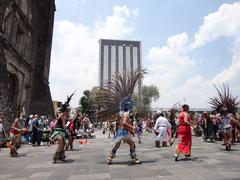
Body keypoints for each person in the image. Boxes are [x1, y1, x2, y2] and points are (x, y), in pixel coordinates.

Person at [107, 98, 141, 164]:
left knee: (117, 145)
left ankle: (110, 158)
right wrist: (132, 127)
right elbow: (124, 123)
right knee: (132, 144)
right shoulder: (126, 114)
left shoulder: (123, 114)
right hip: (124, 132)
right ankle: (133, 158)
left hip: (120, 132)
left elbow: (122, 123)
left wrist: (131, 129)